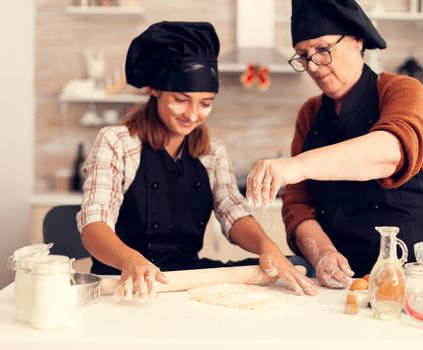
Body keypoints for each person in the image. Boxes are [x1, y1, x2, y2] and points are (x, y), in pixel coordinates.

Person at [77, 21, 317, 300]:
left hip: (186, 278)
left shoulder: (212, 153)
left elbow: (233, 212)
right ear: (155, 90)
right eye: (181, 99)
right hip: (123, 280)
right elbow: (94, 225)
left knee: (295, 266)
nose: (192, 114)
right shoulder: (117, 142)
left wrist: (267, 246)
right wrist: (130, 259)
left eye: (205, 103)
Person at [246, 0, 423, 288]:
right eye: (303, 56)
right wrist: (323, 254)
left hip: (421, 269)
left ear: (357, 39)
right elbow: (298, 206)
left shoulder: (400, 89)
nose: (313, 66)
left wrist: (297, 166)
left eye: (322, 49)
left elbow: (391, 151)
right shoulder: (309, 114)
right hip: (346, 280)